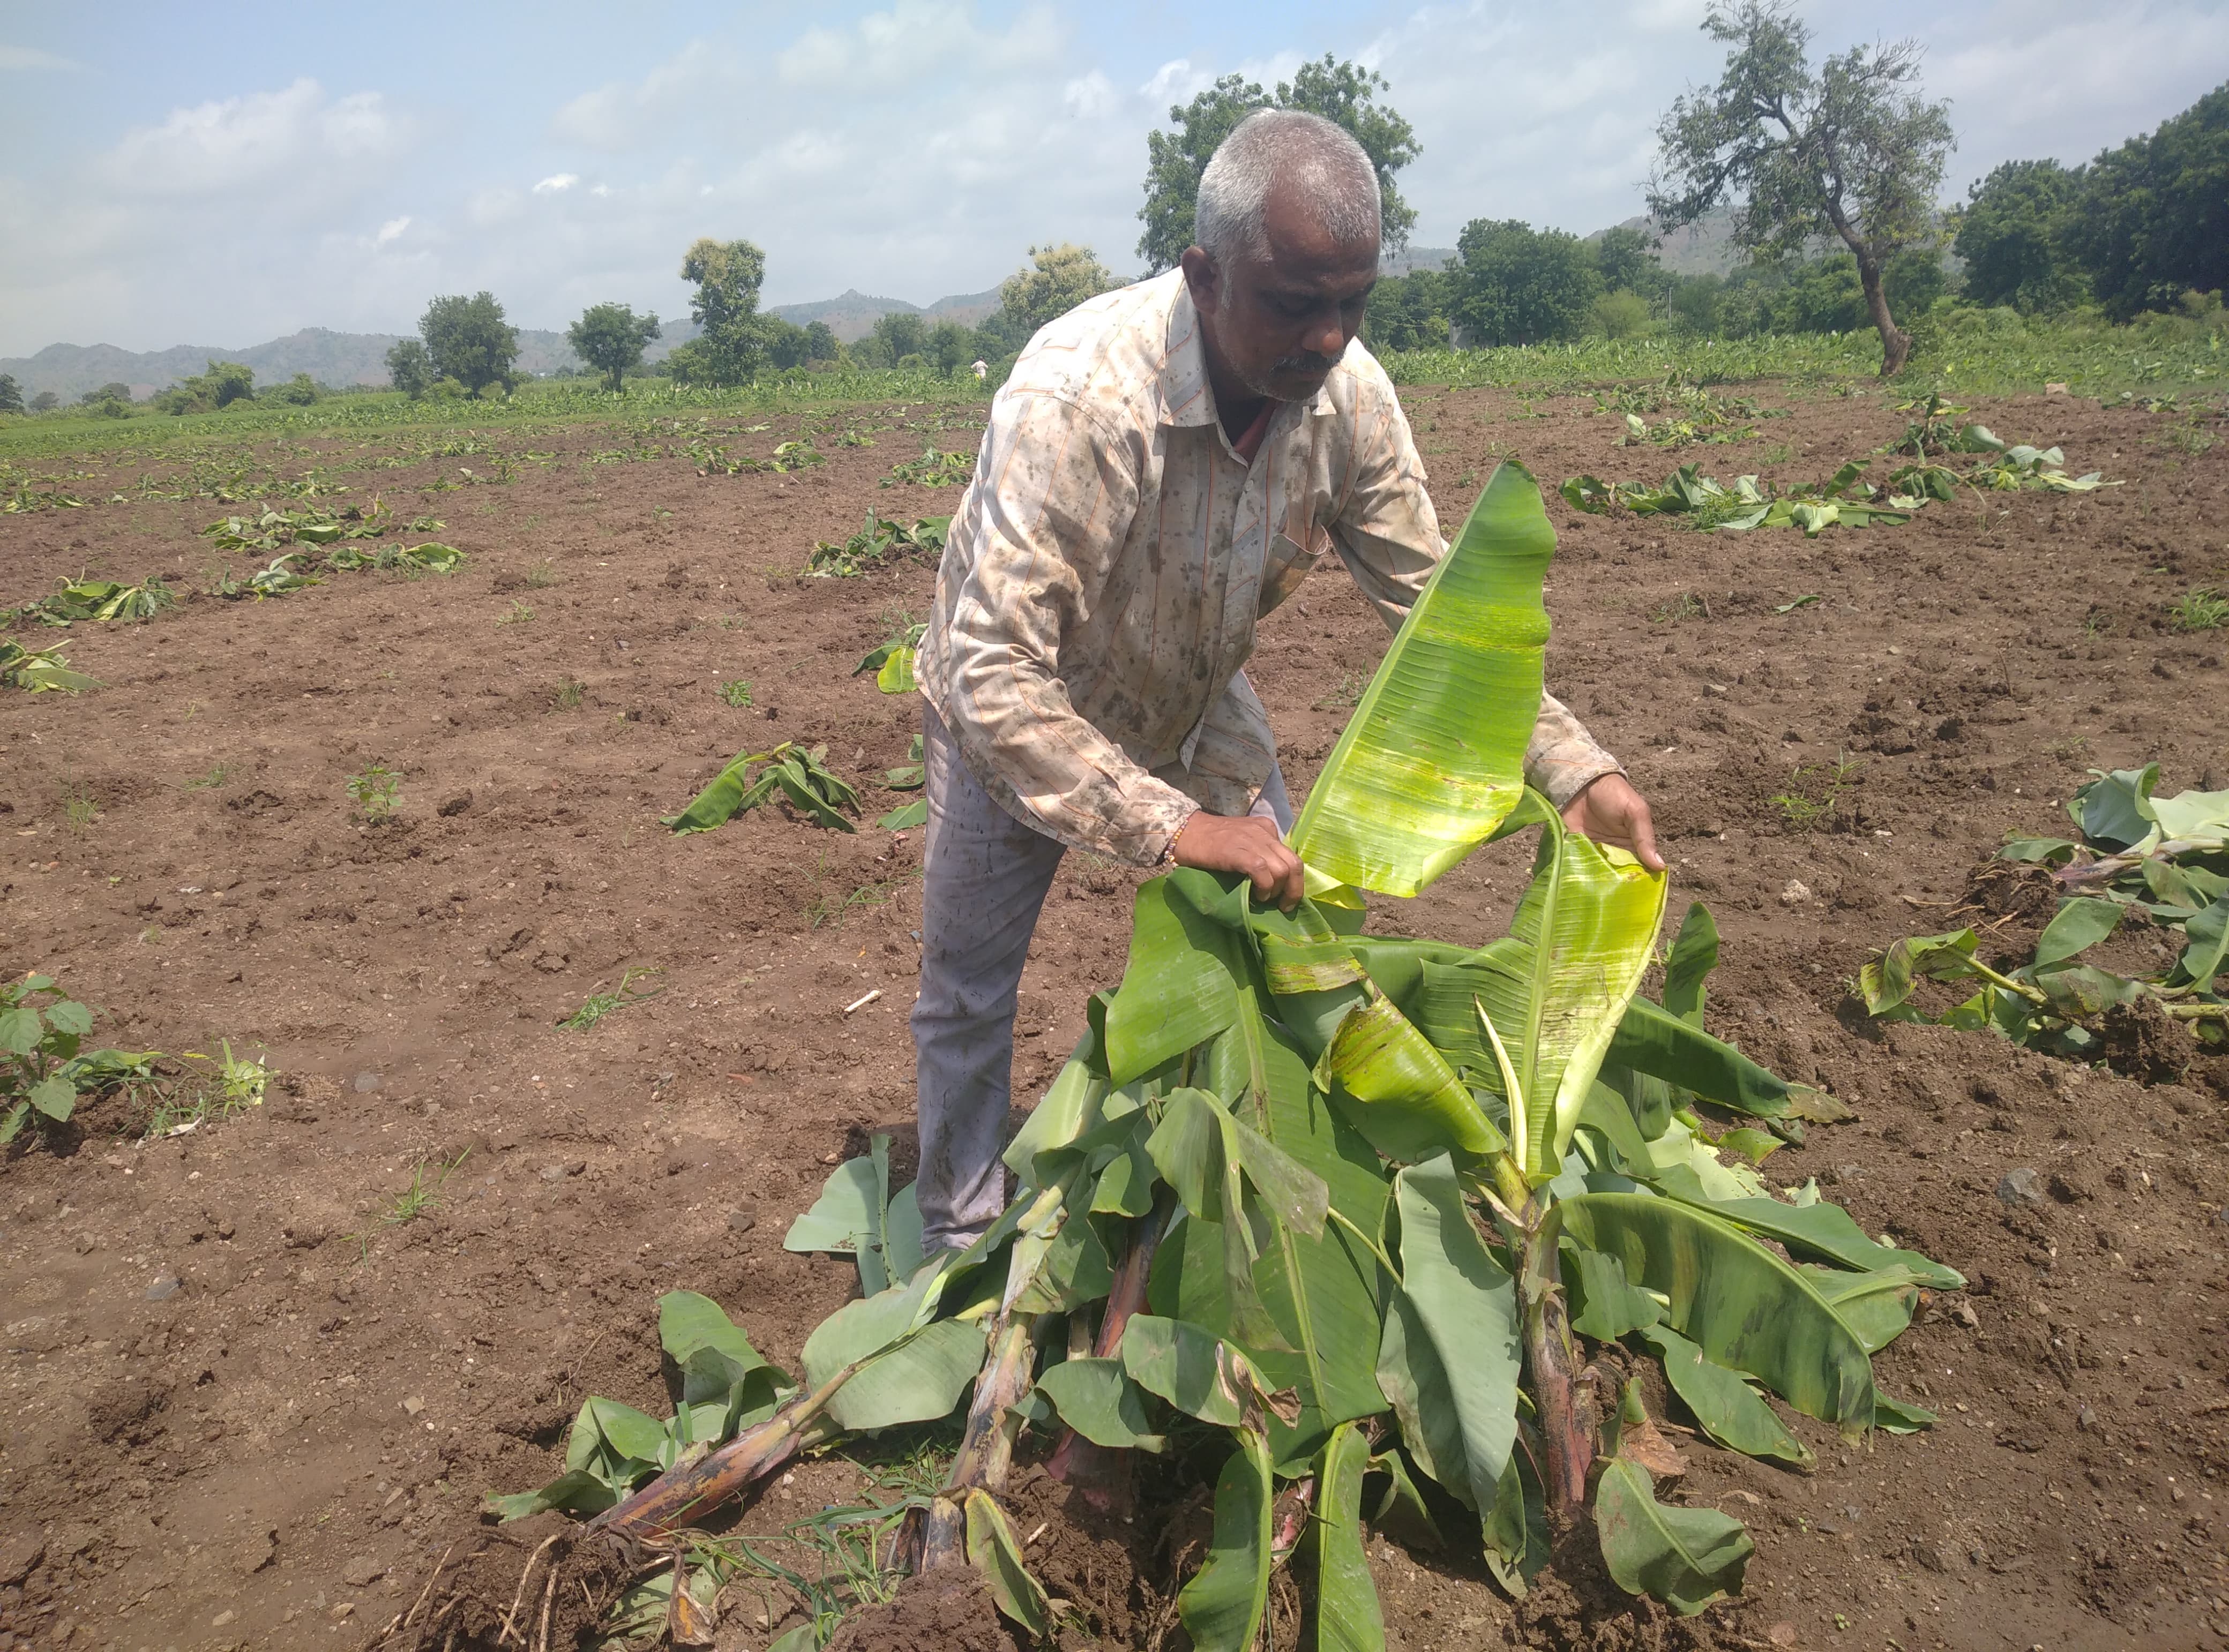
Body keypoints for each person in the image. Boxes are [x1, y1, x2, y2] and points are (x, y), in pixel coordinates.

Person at [908, 109, 1660, 1255]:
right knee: (967, 990)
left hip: (1195, 697)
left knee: (1290, 948)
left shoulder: (1348, 401)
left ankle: (1245, 1210)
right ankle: (959, 1242)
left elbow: (1442, 608)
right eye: (1293, 303)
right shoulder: (1080, 404)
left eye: (1352, 303)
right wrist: (1166, 827)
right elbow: (989, 670)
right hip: (1021, 712)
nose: (1325, 339)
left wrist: (1570, 763)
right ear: (1204, 276)